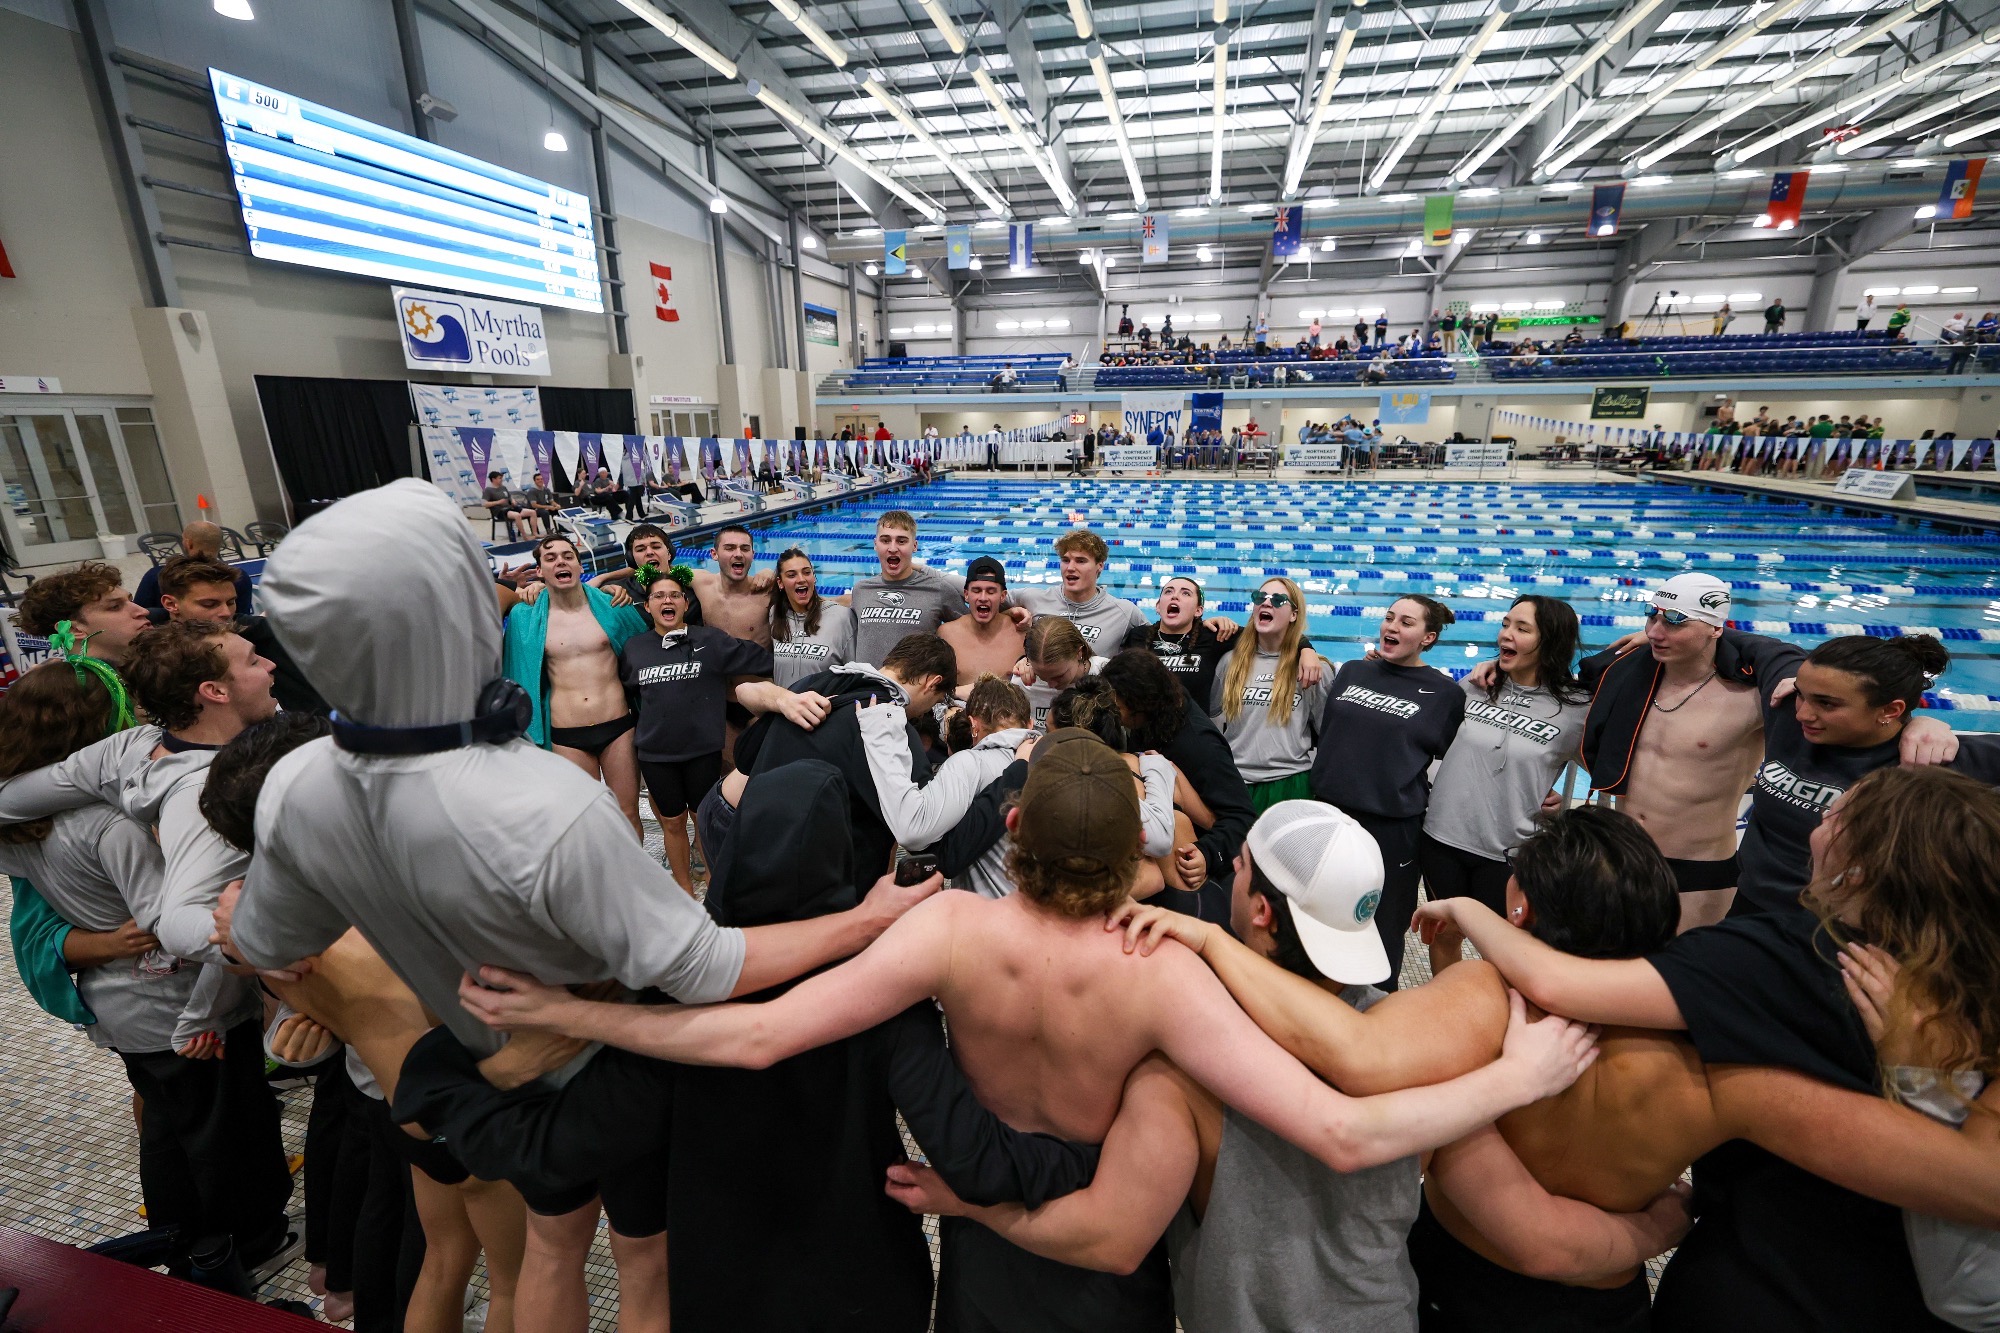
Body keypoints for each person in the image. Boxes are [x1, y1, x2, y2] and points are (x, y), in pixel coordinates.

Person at [459, 732, 1600, 1333]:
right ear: (1136, 862)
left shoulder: (946, 930)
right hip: (1105, 1251)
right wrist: (1517, 1071)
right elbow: (1345, 1132)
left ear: (1009, 826)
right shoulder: (1163, 969)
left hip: (986, 1244)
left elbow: (750, 1037)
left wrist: (572, 1011)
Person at [215, 479, 945, 1333]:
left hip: (465, 1073)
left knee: (548, 1253)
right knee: (644, 1267)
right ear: (462, 610)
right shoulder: (548, 805)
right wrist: (866, 919)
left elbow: (267, 942)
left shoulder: (297, 789)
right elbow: (709, 971)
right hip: (608, 1079)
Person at [1123, 800, 2000, 1333]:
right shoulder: (1717, 1065)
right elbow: (1957, 1176)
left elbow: (1359, 1058)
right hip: (1603, 1308)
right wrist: (1663, 1226)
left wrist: (1203, 939)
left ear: (1521, 903)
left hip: (1463, 1292)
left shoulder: (1481, 1007)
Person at [1409, 765, 2000, 1333]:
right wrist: (1658, 1225)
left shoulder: (1772, 962)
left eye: (1835, 813)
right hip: (1885, 1294)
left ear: (1861, 869)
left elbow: (1555, 989)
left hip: (1757, 1287)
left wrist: (1464, 915)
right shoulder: (1971, 999)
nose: (1819, 820)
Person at [890, 803, 1491, 1331]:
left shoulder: (1183, 1066)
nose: (1231, 867)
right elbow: (1530, 1239)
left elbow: (1111, 1239)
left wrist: (969, 1203)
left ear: (1261, 912)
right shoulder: (1422, 1048)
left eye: (1245, 865)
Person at [0, 659, 287, 1295]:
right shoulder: (108, 825)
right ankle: (242, 1243)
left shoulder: (25, 825)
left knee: (165, 1129)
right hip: (176, 1003)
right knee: (226, 1132)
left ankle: (178, 1233)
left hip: (121, 1007)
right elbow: (174, 919)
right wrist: (206, 1012)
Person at [1729, 633, 2000, 918]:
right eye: (1800, 694)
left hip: (1853, 931)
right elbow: (1750, 643)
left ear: (1891, 710)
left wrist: (1927, 723)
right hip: (1752, 909)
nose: (1803, 714)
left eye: (1826, 704)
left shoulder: (1929, 760)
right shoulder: (1785, 708)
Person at [620, 568, 814, 895]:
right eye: (658, 596)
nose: (667, 600)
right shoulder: (634, 649)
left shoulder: (709, 641)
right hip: (656, 754)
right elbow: (627, 693)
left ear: (684, 602)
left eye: (674, 595)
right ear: (648, 606)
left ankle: (713, 883)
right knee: (671, 823)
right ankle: (682, 888)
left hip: (702, 751)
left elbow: (769, 659)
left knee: (704, 819)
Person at [1308, 595, 1464, 986]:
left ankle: (1379, 1005)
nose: (1392, 627)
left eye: (1406, 623)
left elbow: (1456, 758)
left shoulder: (1444, 694)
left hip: (1391, 829)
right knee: (1320, 912)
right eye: (1389, 618)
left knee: (1383, 923)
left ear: (1428, 638)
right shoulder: (1354, 671)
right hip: (1330, 815)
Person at [1420, 595, 1590, 917]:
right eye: (1505, 624)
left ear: (1551, 641)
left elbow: (1613, 774)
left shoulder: (1576, 709)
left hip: (1511, 851)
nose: (1505, 634)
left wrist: (1561, 808)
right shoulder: (1476, 686)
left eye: (1522, 629)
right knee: (1444, 934)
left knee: (1502, 949)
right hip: (1441, 837)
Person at [502, 534, 648, 837]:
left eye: (567, 556)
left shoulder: (613, 605)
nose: (560, 561)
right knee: (585, 819)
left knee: (629, 813)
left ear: (580, 566)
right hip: (566, 734)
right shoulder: (524, 615)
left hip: (618, 727)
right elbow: (516, 674)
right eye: (551, 557)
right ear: (540, 571)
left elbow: (648, 653)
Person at [1100, 648, 1256, 918]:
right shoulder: (1156, 715)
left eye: (1117, 706)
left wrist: (1207, 854)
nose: (1111, 712)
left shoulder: (1199, 746)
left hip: (1196, 881)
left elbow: (1244, 819)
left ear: (1139, 705)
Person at [855, 674, 1043, 900]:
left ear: (973, 725)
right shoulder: (1057, 761)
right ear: (1030, 723)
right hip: (1056, 913)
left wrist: (880, 736)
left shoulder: (970, 764)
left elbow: (913, 830)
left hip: (991, 917)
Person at [154, 555, 328, 716]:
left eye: (231, 602)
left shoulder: (265, 636)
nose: (225, 612)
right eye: (209, 604)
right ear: (170, 604)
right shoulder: (150, 646)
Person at [1210, 578, 1329, 811]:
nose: (1266, 603)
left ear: (1294, 614)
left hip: (1290, 781)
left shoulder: (1314, 670)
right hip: (1235, 781)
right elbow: (1212, 724)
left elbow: (1328, 734)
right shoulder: (1230, 663)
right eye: (1259, 597)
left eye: (1277, 600)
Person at [843, 511, 1021, 666]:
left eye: (901, 541)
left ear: (914, 546)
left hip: (913, 696)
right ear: (875, 544)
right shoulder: (861, 590)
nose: (892, 548)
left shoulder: (938, 590)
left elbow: (973, 622)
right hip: (866, 693)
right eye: (885, 540)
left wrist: (1008, 614)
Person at [1007, 529, 1149, 648]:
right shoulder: (1031, 598)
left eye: (1080, 561)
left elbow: (1161, 639)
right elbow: (988, 606)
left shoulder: (1124, 612)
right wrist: (1011, 611)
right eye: (1066, 560)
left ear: (1100, 566)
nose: (1070, 568)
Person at [18, 563, 156, 670]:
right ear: (74, 630)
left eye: (130, 601)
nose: (143, 611)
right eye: (115, 607)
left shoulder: (155, 667)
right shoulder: (70, 698)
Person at [1121, 577, 1233, 708]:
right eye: (1168, 592)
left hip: (1193, 727)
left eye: (1185, 593)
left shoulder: (1213, 636)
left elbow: (1255, 636)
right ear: (1158, 606)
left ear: (1198, 611)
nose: (1175, 596)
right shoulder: (1138, 636)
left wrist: (1226, 623)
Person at [768, 547, 856, 689]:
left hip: (826, 708)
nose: (801, 579)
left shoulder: (841, 617)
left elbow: (855, 674)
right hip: (785, 709)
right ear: (780, 583)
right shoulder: (776, 614)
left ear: (814, 577)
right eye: (792, 575)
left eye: (806, 572)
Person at [938, 555, 1025, 688]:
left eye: (991, 592)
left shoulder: (1021, 635)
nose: (983, 598)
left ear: (1002, 596)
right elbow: (935, 687)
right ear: (966, 595)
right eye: (977, 591)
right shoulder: (947, 634)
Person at [134, 522, 254, 615]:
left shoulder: (156, 576)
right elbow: (243, 617)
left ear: (188, 543)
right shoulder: (240, 577)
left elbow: (140, 612)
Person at [1016, 617, 1107, 732]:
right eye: (1041, 676)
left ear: (1079, 653)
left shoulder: (1109, 675)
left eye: (1059, 676)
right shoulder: (1022, 681)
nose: (1051, 684)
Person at [483, 471, 537, 539]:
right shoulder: (488, 490)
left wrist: (512, 500)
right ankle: (525, 536)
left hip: (510, 508)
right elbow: (484, 504)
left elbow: (509, 496)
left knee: (532, 512)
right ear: (493, 479)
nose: (501, 480)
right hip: (500, 511)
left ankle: (535, 533)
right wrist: (498, 502)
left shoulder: (503, 487)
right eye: (499, 478)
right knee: (517, 515)